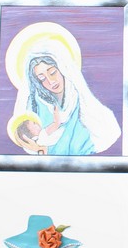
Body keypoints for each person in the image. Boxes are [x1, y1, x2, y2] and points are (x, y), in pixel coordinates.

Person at [7, 23, 121, 155]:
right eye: (42, 78)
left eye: (52, 72)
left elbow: (100, 135)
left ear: (62, 68)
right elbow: (31, 143)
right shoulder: (37, 104)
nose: (51, 81)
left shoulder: (77, 98)